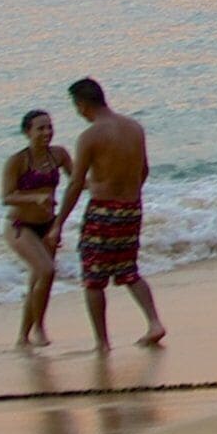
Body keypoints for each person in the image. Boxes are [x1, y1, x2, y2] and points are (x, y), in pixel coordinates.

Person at [56, 76, 167, 351]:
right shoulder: (134, 128)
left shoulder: (90, 136)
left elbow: (74, 184)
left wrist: (58, 224)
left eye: (76, 106)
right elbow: (144, 170)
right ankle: (154, 322)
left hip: (103, 211)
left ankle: (102, 342)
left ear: (82, 104)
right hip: (132, 208)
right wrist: (129, 196)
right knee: (129, 270)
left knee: (94, 279)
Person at [0, 108, 70, 348]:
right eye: (40, 128)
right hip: (19, 225)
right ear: (27, 132)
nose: (47, 132)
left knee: (39, 280)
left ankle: (22, 337)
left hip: (48, 225)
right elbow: (7, 197)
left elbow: (77, 181)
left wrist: (107, 183)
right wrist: (35, 198)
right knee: (46, 271)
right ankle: (39, 328)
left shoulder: (59, 155)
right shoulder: (17, 161)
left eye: (49, 127)